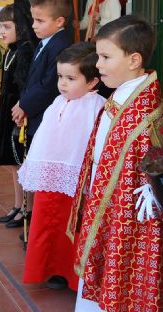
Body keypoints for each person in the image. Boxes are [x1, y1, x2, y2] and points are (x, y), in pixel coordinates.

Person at [68, 15, 163, 311]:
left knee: (125, 284)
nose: (98, 65)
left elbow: (160, 155)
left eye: (105, 57)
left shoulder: (144, 111)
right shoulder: (124, 95)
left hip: (131, 215)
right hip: (108, 204)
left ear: (134, 60)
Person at [19, 42, 105, 291]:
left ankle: (72, 275)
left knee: (73, 228)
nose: (63, 83)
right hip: (50, 179)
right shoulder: (57, 102)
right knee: (47, 223)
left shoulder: (95, 106)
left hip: (76, 182)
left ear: (91, 82)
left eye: (70, 78)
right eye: (60, 77)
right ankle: (49, 269)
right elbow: (45, 138)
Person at [10, 0, 73, 226]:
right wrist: (22, 103)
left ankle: (38, 219)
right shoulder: (44, 42)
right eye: (33, 19)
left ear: (59, 22)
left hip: (46, 114)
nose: (34, 25)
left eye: (40, 21)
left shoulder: (61, 45)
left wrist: (26, 105)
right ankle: (31, 216)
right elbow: (32, 79)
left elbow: (49, 85)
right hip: (35, 113)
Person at [0, 0, 38, 226]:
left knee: (21, 162)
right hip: (6, 109)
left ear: (20, 27)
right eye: (1, 25)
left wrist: (22, 112)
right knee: (12, 165)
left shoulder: (25, 50)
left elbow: (25, 86)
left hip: (17, 112)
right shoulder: (10, 50)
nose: (2, 30)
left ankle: (26, 208)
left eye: (7, 26)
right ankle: (16, 204)